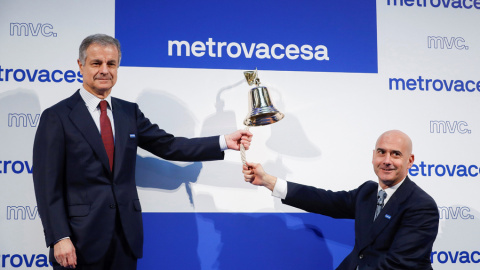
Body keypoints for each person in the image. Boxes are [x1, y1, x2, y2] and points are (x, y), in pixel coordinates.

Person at [32, 33, 252, 270]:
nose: (104, 70)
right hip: (79, 240)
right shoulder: (57, 116)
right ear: (80, 65)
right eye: (96, 63)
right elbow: (47, 185)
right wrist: (59, 237)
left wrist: (222, 141)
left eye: (111, 64)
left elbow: (169, 145)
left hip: (126, 238)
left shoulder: (129, 112)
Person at [242, 130, 439, 270]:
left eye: (395, 154)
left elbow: (398, 265)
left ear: (410, 161)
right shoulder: (367, 192)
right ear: (373, 156)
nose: (387, 160)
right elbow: (325, 201)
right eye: (381, 152)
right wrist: (268, 181)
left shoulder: (421, 206)